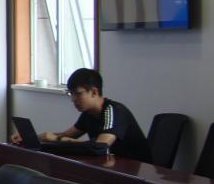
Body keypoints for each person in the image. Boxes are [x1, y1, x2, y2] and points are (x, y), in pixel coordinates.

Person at [14, 68, 151, 162]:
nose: (73, 99)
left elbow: (101, 146)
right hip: (112, 164)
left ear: (94, 92)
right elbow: (67, 135)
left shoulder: (114, 111)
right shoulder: (88, 113)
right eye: (71, 94)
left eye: (78, 94)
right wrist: (33, 137)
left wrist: (63, 140)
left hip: (137, 169)